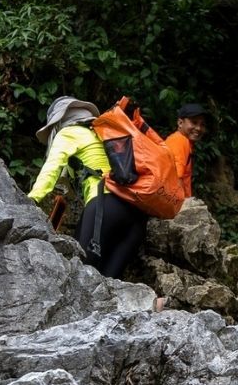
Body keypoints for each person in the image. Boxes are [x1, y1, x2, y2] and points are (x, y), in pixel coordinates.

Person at [28, 96, 148, 279]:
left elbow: (51, 169)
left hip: (105, 207)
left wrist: (31, 200)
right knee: (109, 286)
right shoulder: (104, 135)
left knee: (80, 277)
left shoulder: (69, 133)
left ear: (60, 122)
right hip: (137, 214)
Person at [163, 102, 208, 199]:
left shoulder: (177, 139)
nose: (199, 128)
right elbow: (176, 178)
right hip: (174, 204)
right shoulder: (180, 141)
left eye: (202, 124)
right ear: (180, 123)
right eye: (194, 122)